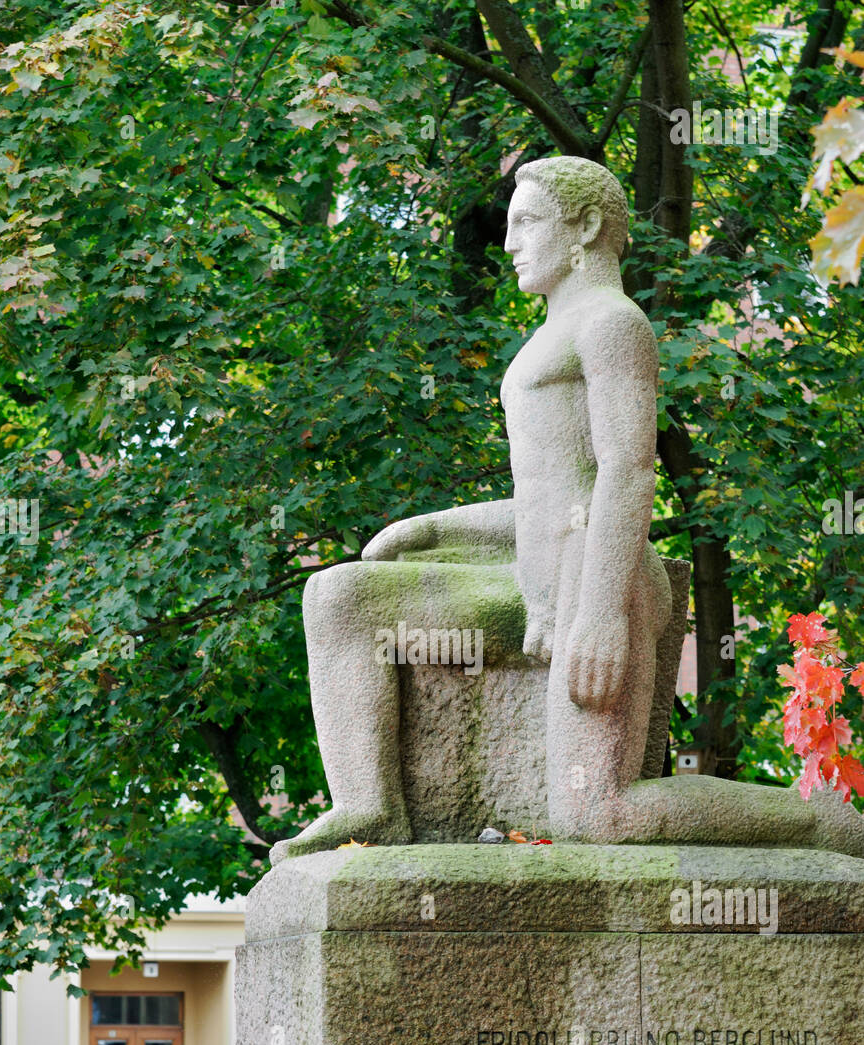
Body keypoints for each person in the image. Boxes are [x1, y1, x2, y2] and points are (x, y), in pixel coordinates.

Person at [276, 157, 863, 860]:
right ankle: (368, 806)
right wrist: (434, 529)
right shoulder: (550, 337)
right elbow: (545, 499)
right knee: (340, 596)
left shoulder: (613, 324)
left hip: (596, 577)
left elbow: (629, 468)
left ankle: (815, 820)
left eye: (526, 222)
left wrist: (600, 610)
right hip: (533, 579)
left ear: (584, 225)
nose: (508, 242)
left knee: (600, 813)